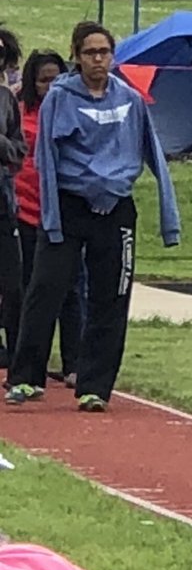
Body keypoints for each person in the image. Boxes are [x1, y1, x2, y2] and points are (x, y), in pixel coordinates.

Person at [6, 21, 181, 413]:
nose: (97, 60)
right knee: (45, 288)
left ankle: (95, 385)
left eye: (104, 52)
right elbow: (46, 160)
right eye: (89, 53)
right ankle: (26, 377)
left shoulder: (130, 100)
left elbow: (152, 153)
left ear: (112, 56)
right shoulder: (60, 98)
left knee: (111, 295)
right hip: (69, 206)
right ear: (77, 56)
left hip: (115, 209)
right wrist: (50, 216)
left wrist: (170, 221)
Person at [15, 49, 86, 388]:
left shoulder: (72, 111)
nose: (50, 86)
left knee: (71, 289)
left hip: (62, 211)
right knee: (30, 290)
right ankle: (28, 366)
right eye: (44, 80)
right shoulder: (18, 113)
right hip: (23, 209)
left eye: (56, 79)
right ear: (32, 82)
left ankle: (74, 363)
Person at [0, 25, 26, 375]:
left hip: (2, 201)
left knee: (12, 281)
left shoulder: (6, 99)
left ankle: (20, 353)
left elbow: (19, 152)